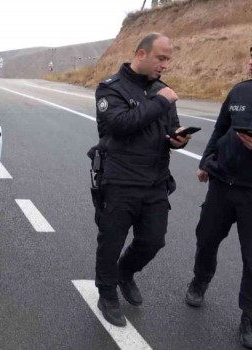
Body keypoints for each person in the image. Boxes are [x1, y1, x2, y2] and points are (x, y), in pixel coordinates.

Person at [90, 33, 192, 326]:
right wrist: (160, 102)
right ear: (141, 55)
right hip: (120, 182)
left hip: (155, 182)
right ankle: (107, 293)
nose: (166, 65)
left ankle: (125, 272)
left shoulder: (163, 91)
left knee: (153, 240)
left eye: (168, 59)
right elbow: (120, 126)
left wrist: (178, 139)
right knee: (110, 242)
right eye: (161, 58)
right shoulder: (111, 89)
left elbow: (172, 129)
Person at [184, 47, 252, 348]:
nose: (250, 61)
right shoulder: (238, 91)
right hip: (222, 185)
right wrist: (205, 161)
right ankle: (200, 281)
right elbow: (221, 129)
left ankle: (248, 315)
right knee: (206, 239)